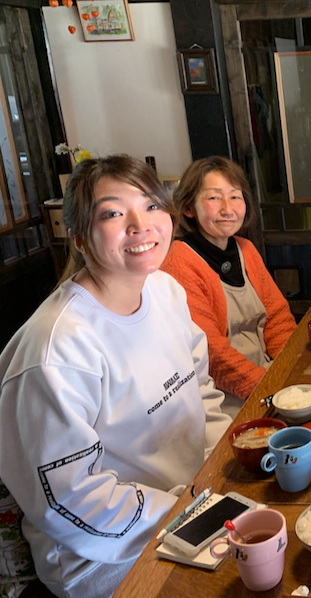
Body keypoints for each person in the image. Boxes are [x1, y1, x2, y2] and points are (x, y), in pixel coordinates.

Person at [0, 155, 231, 598]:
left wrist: (219, 474)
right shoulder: (58, 347)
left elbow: (201, 389)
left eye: (150, 205)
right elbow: (72, 500)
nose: (140, 225)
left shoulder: (165, 291)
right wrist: (186, 513)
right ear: (79, 238)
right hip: (104, 554)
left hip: (192, 502)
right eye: (112, 213)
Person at [161, 156, 295, 417]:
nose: (227, 209)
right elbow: (212, 353)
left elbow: (277, 317)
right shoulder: (179, 262)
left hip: (269, 380)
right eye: (213, 198)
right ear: (189, 207)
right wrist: (271, 388)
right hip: (223, 400)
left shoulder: (245, 249)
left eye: (235, 197)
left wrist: (290, 369)